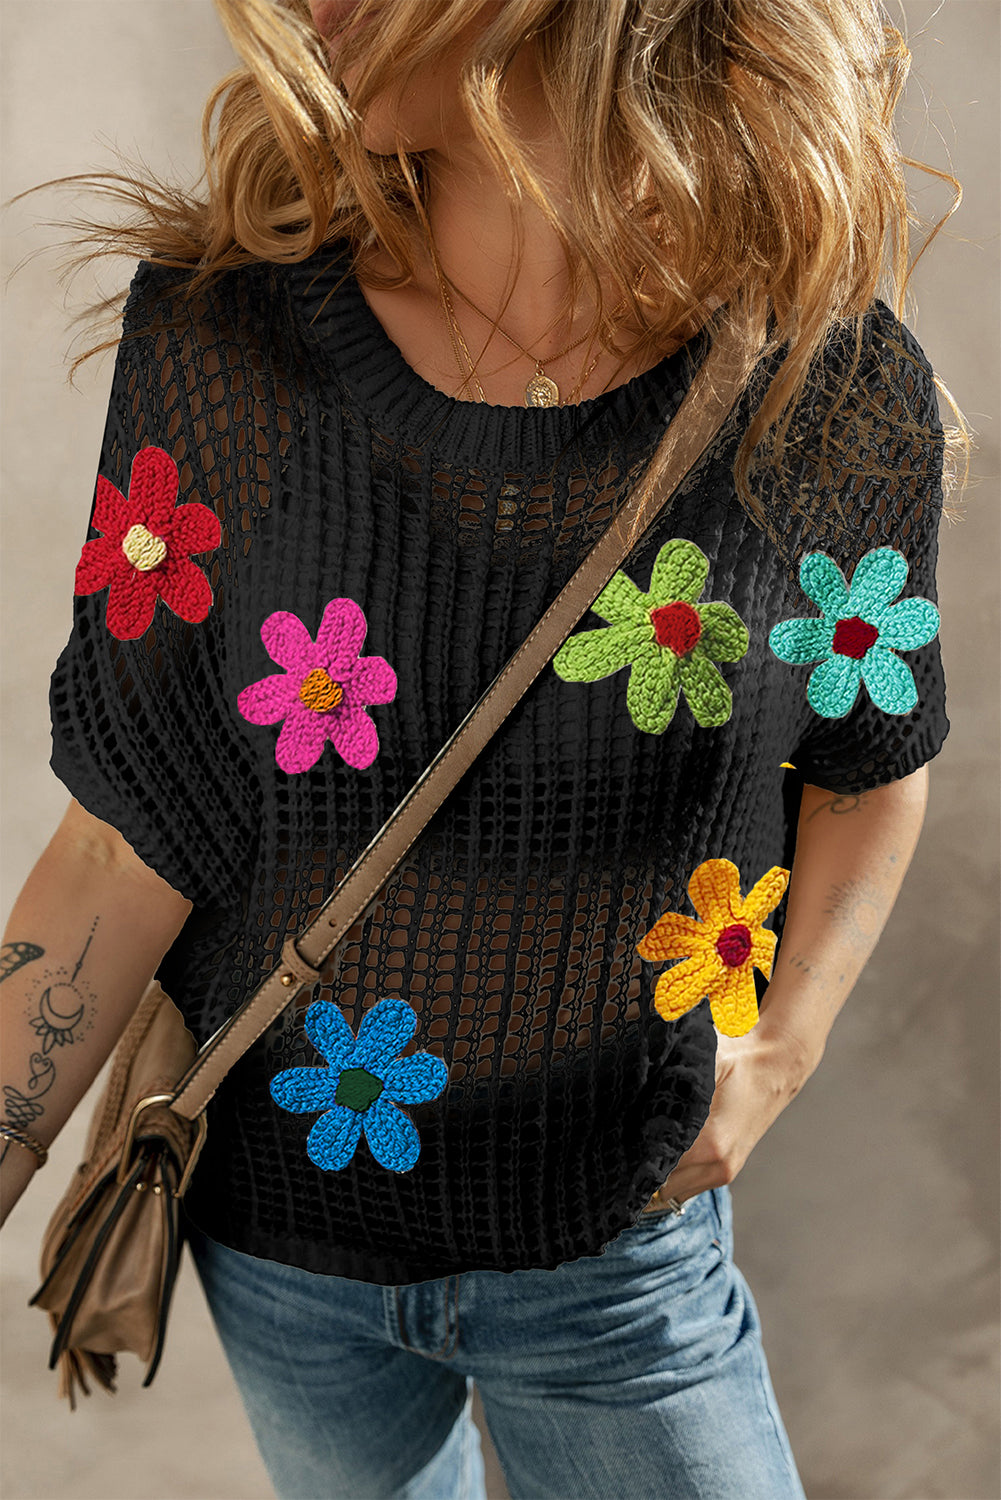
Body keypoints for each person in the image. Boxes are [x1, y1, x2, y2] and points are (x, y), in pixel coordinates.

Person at [0, 2, 970, 1496]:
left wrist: (782, 1049)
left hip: (613, 1258)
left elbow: (870, 756)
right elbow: (127, 840)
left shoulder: (827, 393)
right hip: (281, 1248)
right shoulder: (224, 342)